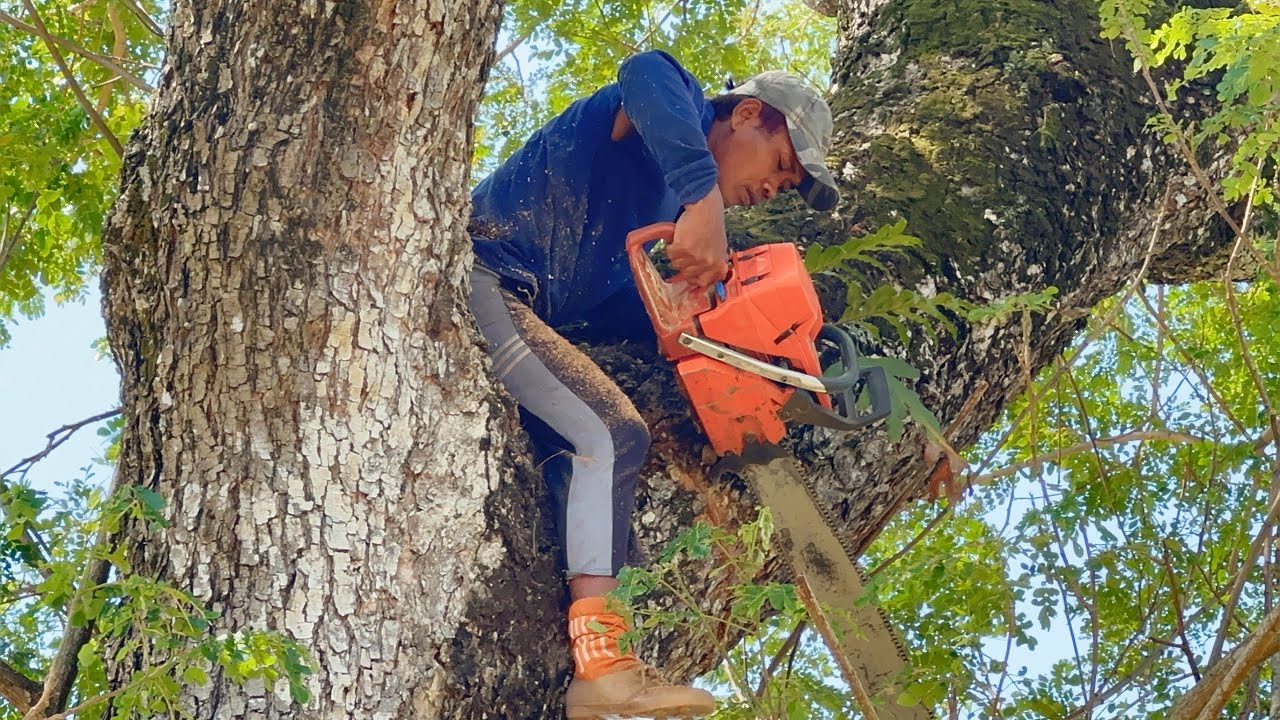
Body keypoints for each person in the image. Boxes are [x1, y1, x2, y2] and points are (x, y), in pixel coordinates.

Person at [467, 50, 841, 719]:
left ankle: (609, 668)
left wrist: (708, 330)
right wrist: (703, 197)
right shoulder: (674, 106)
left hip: (523, 307)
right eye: (781, 164)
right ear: (746, 114)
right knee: (611, 434)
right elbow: (643, 71)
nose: (773, 188)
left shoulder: (658, 212)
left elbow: (619, 315)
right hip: (478, 276)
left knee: (619, 526)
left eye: (786, 186)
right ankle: (602, 672)